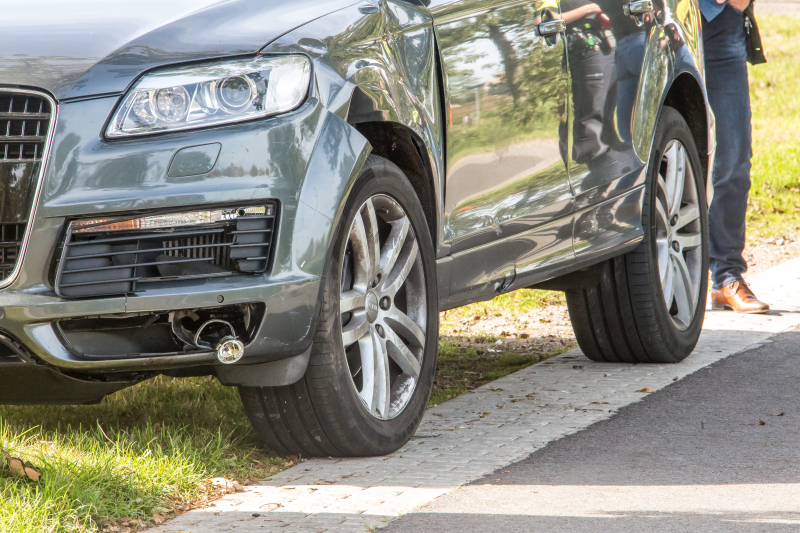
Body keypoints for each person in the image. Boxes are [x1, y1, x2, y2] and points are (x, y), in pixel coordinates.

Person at [702, 0, 770, 313]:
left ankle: (726, 276)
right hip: (656, 19)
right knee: (652, 158)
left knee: (733, 158)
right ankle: (660, 284)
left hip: (720, 25)